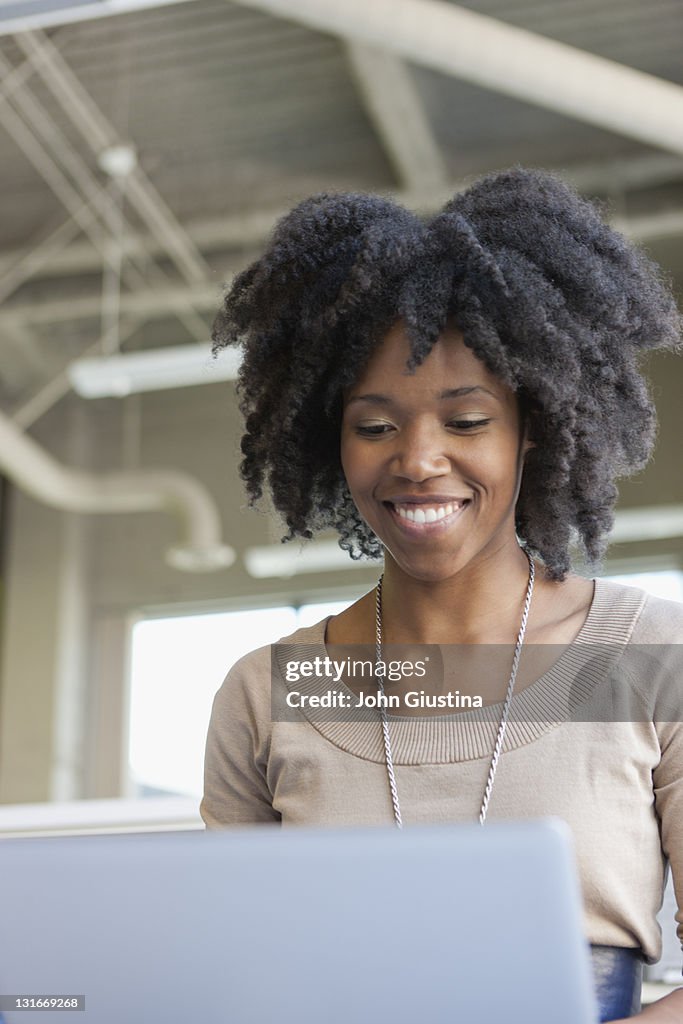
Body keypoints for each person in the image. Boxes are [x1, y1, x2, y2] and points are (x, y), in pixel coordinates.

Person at [202, 168, 683, 1022]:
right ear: (328, 440)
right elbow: (231, 972)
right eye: (374, 425)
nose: (418, 460)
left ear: (534, 428)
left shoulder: (644, 659)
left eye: (466, 422)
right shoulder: (271, 691)